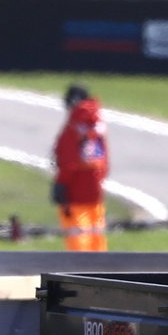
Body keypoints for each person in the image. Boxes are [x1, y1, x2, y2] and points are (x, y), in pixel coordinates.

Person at [52, 84, 109, 252]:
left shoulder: (74, 125)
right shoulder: (98, 123)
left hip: (75, 190)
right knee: (97, 236)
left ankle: (78, 270)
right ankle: (101, 272)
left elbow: (69, 159)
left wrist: (61, 184)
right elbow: (104, 159)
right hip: (95, 189)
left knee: (77, 236)